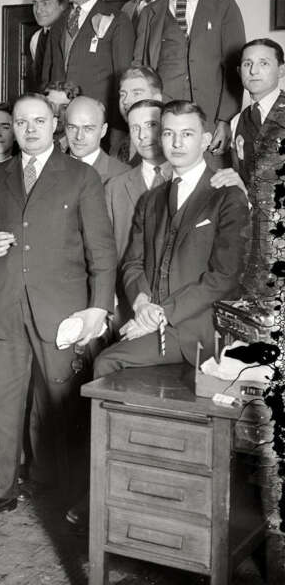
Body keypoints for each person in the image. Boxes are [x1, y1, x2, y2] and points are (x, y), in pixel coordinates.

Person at [0, 93, 116, 520]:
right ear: (10, 128)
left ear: (55, 124)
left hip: (61, 313)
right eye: (19, 122)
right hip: (6, 305)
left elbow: (101, 253)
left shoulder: (80, 177)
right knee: (4, 402)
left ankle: (71, 496)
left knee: (62, 405)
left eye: (37, 121)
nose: (29, 129)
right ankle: (2, 488)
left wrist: (99, 308)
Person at [94, 101, 249, 376]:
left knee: (107, 362)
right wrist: (142, 304)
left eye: (187, 134)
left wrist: (161, 315)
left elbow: (224, 277)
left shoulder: (227, 195)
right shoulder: (151, 199)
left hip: (198, 328)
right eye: (168, 133)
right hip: (151, 318)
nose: (176, 142)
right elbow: (132, 263)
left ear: (204, 140)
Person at [134, 0, 246, 155]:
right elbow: (141, 71)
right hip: (163, 121)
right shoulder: (150, 13)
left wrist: (225, 120)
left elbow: (235, 71)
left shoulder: (225, 7)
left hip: (209, 124)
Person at [41, 0, 134, 153]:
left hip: (99, 126)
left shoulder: (117, 21)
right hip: (61, 129)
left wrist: (118, 131)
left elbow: (123, 80)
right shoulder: (59, 24)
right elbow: (48, 78)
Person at [105, 98, 170, 262]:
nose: (142, 135)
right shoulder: (114, 188)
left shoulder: (192, 178)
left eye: (151, 125)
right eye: (135, 128)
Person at [230, 38, 285, 187]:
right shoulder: (236, 122)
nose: (253, 71)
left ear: (281, 70)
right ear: (239, 71)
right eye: (247, 64)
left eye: (264, 63)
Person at [64, 95, 129, 184]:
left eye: (88, 129)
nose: (79, 136)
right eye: (72, 127)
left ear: (103, 130)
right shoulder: (46, 168)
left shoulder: (123, 174)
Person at [27, 0, 68, 92]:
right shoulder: (36, 39)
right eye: (35, 3)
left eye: (45, 3)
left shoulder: (72, 35)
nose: (38, 10)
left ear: (63, 5)